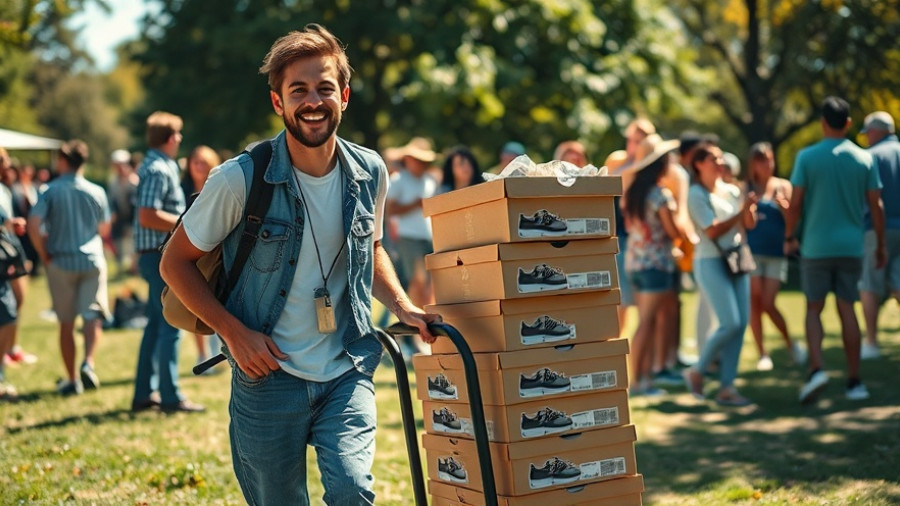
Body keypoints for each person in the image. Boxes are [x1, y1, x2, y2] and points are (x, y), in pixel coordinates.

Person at [158, 24, 440, 505]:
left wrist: (404, 305)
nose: (314, 101)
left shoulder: (370, 171)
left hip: (347, 364)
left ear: (344, 96)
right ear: (278, 103)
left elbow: (369, 249)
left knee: (353, 491)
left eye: (325, 88)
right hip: (267, 374)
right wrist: (233, 333)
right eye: (299, 90)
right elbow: (174, 262)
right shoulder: (240, 178)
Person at [784, 96, 885, 403]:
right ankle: (854, 381)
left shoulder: (807, 157)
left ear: (822, 122)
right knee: (847, 308)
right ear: (849, 124)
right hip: (851, 246)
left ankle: (817, 370)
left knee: (814, 308)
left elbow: (796, 202)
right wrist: (880, 244)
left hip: (816, 246)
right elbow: (876, 205)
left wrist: (790, 234)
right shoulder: (864, 158)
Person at [130, 111, 204, 413]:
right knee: (171, 324)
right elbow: (147, 214)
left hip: (151, 255)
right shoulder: (160, 169)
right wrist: (185, 225)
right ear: (171, 138)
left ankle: (143, 393)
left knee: (154, 327)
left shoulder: (154, 165)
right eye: (179, 135)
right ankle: (171, 397)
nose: (181, 140)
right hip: (160, 255)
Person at [27, 140, 111, 395]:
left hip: (61, 261)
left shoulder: (49, 190)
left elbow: (33, 224)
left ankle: (72, 378)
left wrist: (44, 254)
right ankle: (89, 363)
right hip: (92, 260)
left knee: (65, 323)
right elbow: (105, 228)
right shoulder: (96, 191)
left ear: (63, 161)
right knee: (91, 316)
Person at [683, 143, 758, 407]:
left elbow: (748, 225)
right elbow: (711, 231)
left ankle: (727, 388)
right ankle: (697, 370)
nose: (720, 161)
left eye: (720, 157)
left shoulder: (731, 190)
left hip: (736, 259)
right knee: (731, 323)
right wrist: (741, 210)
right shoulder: (695, 193)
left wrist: (748, 209)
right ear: (698, 164)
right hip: (711, 262)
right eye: (713, 158)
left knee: (740, 326)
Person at [621, 135, 682, 395]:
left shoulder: (633, 191)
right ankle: (637, 382)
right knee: (646, 322)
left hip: (634, 261)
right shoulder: (660, 194)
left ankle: (644, 378)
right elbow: (671, 230)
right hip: (655, 264)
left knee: (647, 322)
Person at [745, 142, 805, 370]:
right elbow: (747, 225)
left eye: (769, 159)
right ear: (753, 164)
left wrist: (785, 209)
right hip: (752, 252)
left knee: (768, 303)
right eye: (761, 160)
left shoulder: (782, 186)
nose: (766, 164)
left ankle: (790, 343)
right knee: (755, 302)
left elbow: (793, 222)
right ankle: (762, 353)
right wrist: (748, 210)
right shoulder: (747, 187)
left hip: (776, 253)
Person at [385, 136, 439, 355]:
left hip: (427, 236)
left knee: (429, 287)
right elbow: (391, 211)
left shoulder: (429, 181)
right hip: (408, 238)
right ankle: (417, 332)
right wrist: (414, 205)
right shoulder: (399, 181)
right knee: (417, 283)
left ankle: (421, 329)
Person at [859, 111, 900, 360]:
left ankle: (872, 342)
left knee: (870, 283)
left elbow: (868, 199)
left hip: (877, 227)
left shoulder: (870, 156)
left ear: (875, 131)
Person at [181, 145, 223, 371]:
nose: (198, 166)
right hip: (193, 257)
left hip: (216, 254)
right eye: (194, 161)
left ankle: (218, 350)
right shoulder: (182, 190)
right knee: (194, 305)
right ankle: (201, 353)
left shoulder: (219, 188)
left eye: (203, 162)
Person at [0, 147, 26, 401]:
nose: (8, 166)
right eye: (5, 162)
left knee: (11, 311)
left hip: (6, 257)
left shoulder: (4, 189)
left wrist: (10, 225)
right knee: (7, 315)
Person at [108, 149, 139, 275]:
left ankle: (133, 268)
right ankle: (122, 267)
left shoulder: (134, 181)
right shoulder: (113, 181)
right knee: (119, 244)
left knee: (132, 244)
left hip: (132, 219)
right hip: (119, 219)